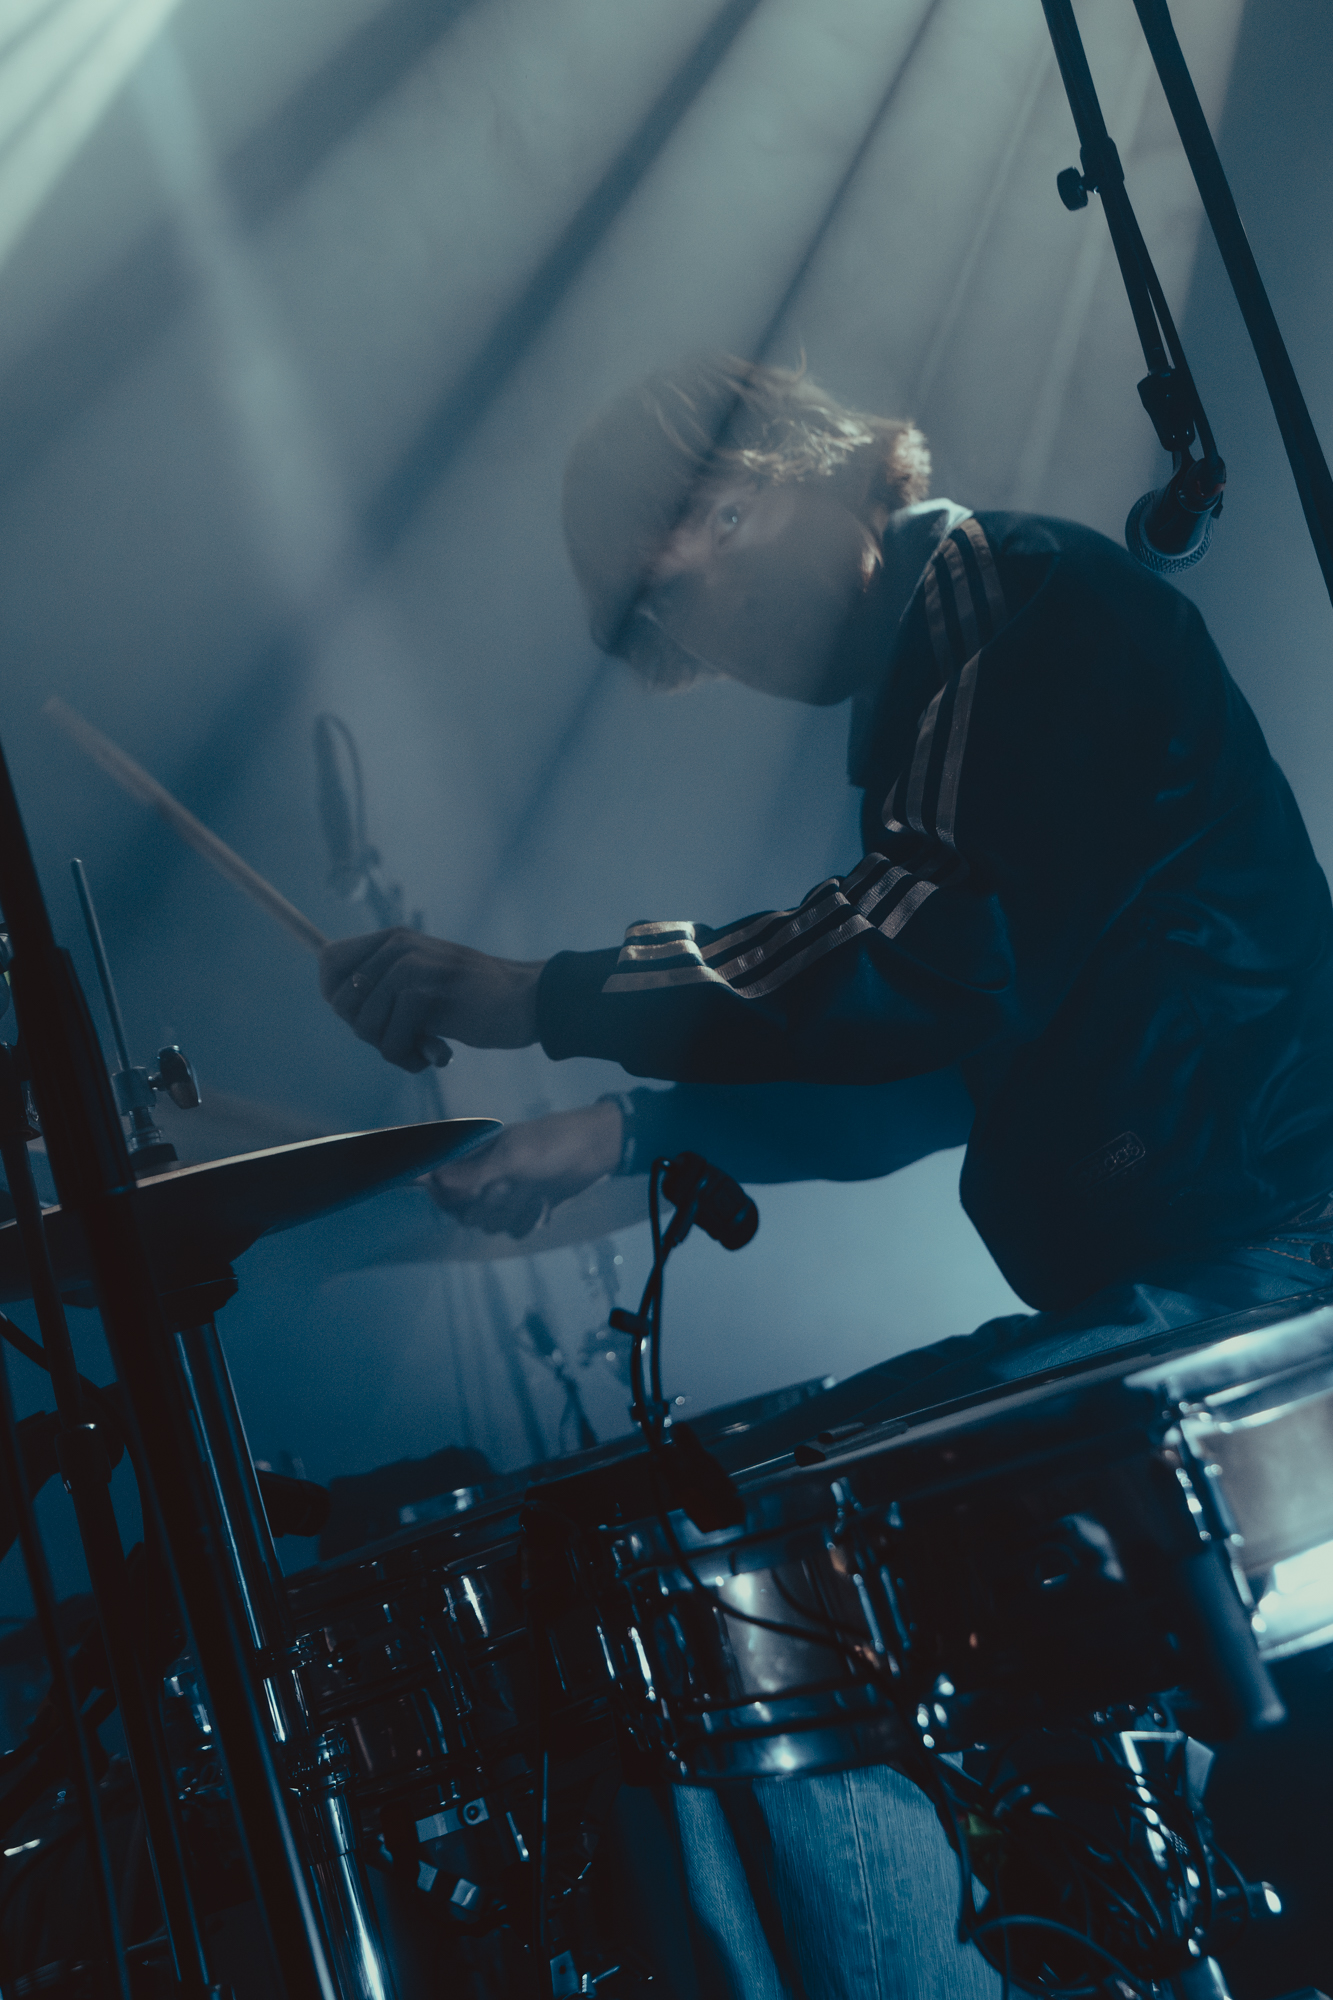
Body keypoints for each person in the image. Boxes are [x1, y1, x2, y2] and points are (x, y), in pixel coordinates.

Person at [318, 356, 1333, 1996]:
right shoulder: (941, 681)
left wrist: (537, 996)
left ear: (757, 484)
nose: (706, 642)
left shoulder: (1013, 608)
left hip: (1274, 1264)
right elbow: (945, 1060)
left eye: (683, 580)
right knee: (709, 1553)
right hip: (1202, 1273)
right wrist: (636, 1133)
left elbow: (916, 957)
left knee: (744, 1556)